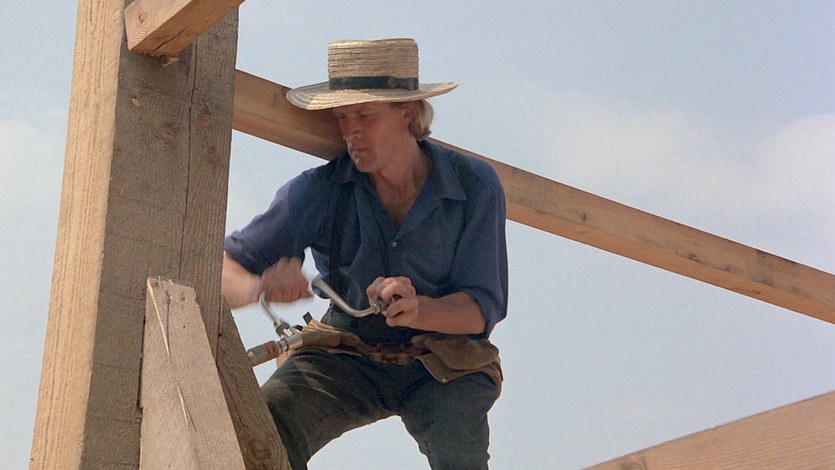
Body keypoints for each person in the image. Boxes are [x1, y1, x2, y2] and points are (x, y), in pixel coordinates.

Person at [222, 38, 508, 470]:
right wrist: (258, 287)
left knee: (459, 458)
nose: (350, 131)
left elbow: (480, 310)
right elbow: (219, 269)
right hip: (344, 352)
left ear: (407, 111)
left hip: (445, 359)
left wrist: (418, 309)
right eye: (341, 117)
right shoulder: (317, 191)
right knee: (259, 436)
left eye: (365, 115)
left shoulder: (474, 185)